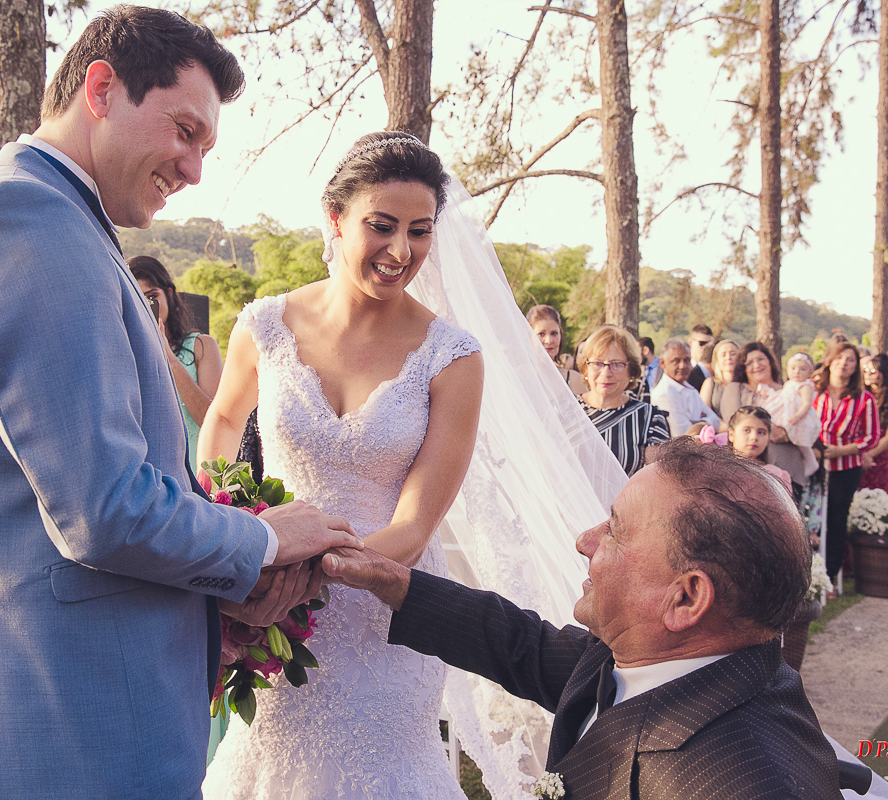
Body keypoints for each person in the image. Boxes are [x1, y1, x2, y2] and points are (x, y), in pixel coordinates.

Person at [0, 9, 360, 799]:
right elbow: (104, 506)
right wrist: (256, 541)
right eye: (185, 131)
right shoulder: (26, 221)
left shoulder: (63, 223)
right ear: (102, 87)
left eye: (205, 147)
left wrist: (223, 604)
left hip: (92, 714)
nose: (192, 169)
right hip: (64, 729)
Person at [199, 132, 628, 798]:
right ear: (335, 219)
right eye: (382, 226)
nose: (402, 251)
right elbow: (225, 421)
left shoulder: (452, 356)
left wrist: (296, 573)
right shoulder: (264, 325)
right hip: (268, 605)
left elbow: (415, 525)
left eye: (420, 231)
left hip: (380, 605)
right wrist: (231, 531)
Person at [322, 437, 840, 800]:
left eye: (614, 530)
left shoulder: (722, 782)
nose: (584, 542)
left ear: (685, 599)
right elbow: (522, 645)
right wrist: (393, 583)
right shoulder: (668, 658)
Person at [128, 255, 223, 470]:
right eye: (138, 299)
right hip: (153, 476)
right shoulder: (126, 354)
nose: (147, 306)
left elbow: (213, 421)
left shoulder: (201, 346)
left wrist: (169, 358)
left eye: (152, 297)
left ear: (169, 293)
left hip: (200, 475)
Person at [815, 342, 881, 582]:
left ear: (856, 367)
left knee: (836, 518)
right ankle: (807, 569)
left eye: (850, 360)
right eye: (840, 357)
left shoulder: (864, 399)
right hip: (813, 465)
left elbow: (872, 436)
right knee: (810, 517)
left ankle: (830, 574)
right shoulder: (813, 392)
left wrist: (842, 451)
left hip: (846, 467)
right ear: (830, 360)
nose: (844, 363)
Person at [577, 325, 670, 476]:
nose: (606, 373)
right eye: (597, 363)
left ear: (631, 370)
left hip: (627, 499)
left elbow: (659, 478)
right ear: (585, 367)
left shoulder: (649, 418)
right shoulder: (562, 412)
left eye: (616, 364)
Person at [720, 342, 809, 491]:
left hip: (789, 466)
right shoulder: (736, 389)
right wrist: (770, 429)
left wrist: (792, 433)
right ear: (743, 368)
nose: (756, 365)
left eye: (760, 359)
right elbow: (732, 419)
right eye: (749, 362)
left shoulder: (788, 390)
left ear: (770, 361)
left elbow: (807, 418)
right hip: (750, 472)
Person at [761, 352, 821, 478]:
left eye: (802, 369)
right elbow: (782, 397)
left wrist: (798, 416)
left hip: (799, 418)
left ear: (810, 373)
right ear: (787, 370)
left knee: (802, 441)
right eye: (793, 368)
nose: (797, 372)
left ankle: (810, 460)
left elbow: (806, 404)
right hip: (786, 413)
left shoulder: (805, 386)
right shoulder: (789, 384)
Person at [650, 338, 720, 437]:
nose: (683, 366)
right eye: (676, 361)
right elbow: (683, 434)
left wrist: (694, 423)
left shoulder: (691, 390)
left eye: (687, 360)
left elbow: (716, 422)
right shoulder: (664, 393)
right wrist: (705, 423)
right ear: (662, 363)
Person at [859, 355, 888, 492]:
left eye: (872, 372)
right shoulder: (859, 395)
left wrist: (870, 454)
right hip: (857, 452)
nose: (867, 375)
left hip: (879, 454)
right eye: (865, 371)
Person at [527, 304, 588, 395]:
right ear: (529, 337)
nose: (549, 341)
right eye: (541, 334)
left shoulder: (574, 380)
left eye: (554, 333)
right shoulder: (515, 379)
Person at [727, 405, 792, 489]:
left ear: (768, 438)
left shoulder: (776, 476)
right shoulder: (718, 471)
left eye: (761, 432)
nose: (754, 437)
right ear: (731, 434)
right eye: (747, 430)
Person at [699, 338, 738, 417]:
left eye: (733, 354)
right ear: (717, 360)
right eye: (723, 355)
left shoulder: (746, 384)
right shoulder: (710, 383)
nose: (728, 358)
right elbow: (704, 412)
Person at [686, 324, 715, 391]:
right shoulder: (683, 367)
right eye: (702, 343)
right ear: (690, 342)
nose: (706, 347)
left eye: (710, 345)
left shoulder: (716, 370)